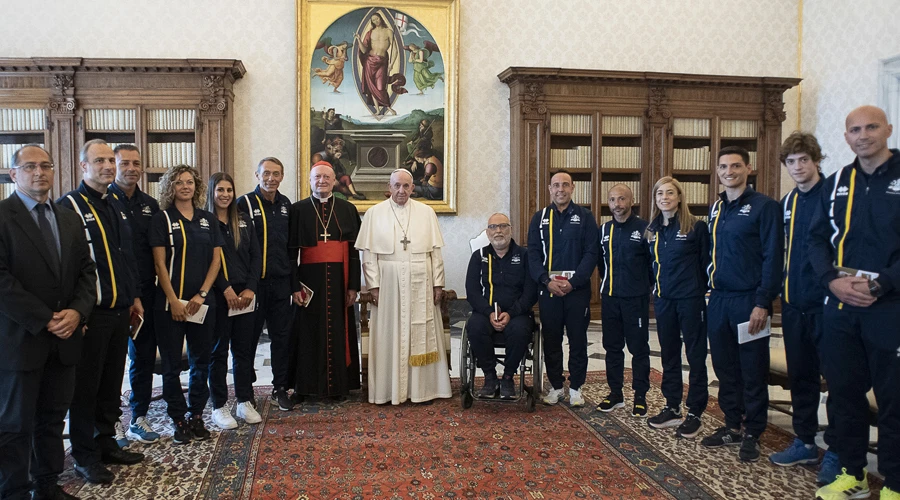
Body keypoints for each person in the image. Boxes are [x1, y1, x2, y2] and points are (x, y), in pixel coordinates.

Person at [810, 106, 900, 500]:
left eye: (871, 127)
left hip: (891, 306)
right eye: (854, 130)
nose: (863, 135)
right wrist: (832, 281)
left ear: (889, 130)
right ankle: (853, 475)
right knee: (844, 394)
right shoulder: (837, 182)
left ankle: (896, 484)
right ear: (845, 137)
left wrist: (883, 284)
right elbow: (814, 240)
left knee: (894, 399)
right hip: (842, 307)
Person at [0, 144, 96, 500]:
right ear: (14, 174)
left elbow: (87, 272)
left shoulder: (67, 216)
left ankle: (47, 485)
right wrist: (45, 319)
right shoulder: (3, 215)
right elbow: (2, 280)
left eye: (45, 166)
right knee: (14, 425)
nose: (39, 173)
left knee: (53, 420)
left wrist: (77, 311)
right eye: (29, 167)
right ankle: (13, 491)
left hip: (65, 339)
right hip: (21, 340)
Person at [57, 139, 145, 484]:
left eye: (111, 160)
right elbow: (67, 268)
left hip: (121, 308)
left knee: (110, 383)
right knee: (86, 388)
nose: (108, 166)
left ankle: (106, 442)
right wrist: (75, 313)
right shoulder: (69, 207)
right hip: (91, 314)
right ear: (83, 166)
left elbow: (126, 258)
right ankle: (84, 455)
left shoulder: (116, 205)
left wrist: (134, 296)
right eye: (100, 161)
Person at [700, 146, 783, 463]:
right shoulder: (716, 209)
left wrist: (763, 302)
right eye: (723, 167)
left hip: (751, 301)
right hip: (719, 300)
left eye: (736, 166)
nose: (728, 171)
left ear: (749, 168)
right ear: (717, 171)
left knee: (752, 369)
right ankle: (732, 426)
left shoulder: (765, 207)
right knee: (724, 368)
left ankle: (753, 433)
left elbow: (773, 258)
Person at [767, 132, 840, 484]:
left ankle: (840, 450)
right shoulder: (788, 202)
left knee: (840, 380)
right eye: (791, 162)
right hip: (794, 303)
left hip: (828, 306)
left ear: (816, 160)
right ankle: (805, 441)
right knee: (802, 377)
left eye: (803, 160)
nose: (797, 167)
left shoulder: (834, 197)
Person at [355, 169, 451, 405]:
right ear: (389, 187)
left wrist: (438, 283)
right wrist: (373, 286)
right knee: (390, 333)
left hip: (422, 280)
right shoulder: (374, 214)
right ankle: (388, 390)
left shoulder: (426, 212)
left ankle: (424, 389)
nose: (401, 191)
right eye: (397, 186)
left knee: (423, 331)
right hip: (388, 283)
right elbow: (369, 255)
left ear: (413, 188)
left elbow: (435, 253)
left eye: (406, 186)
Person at [149, 165, 223, 445]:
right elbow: (159, 263)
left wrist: (201, 295)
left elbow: (216, 261)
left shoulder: (208, 219)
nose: (185, 186)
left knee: (201, 362)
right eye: (178, 182)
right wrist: (173, 301)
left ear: (197, 186)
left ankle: (196, 416)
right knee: (171, 366)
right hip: (169, 306)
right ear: (170, 187)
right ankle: (178, 419)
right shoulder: (162, 220)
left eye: (189, 182)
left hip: (202, 304)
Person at [288, 162, 362, 400]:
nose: (322, 181)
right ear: (310, 180)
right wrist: (294, 287)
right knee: (306, 333)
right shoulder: (298, 210)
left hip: (341, 280)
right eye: (317, 177)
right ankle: (305, 387)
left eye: (326, 177)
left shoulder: (347, 209)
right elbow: (291, 254)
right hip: (309, 282)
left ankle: (340, 386)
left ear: (334, 181)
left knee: (341, 330)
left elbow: (354, 251)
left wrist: (353, 286)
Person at [644, 177, 710, 439]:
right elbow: (651, 266)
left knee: (695, 356)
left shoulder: (696, 227)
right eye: (659, 193)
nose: (664, 197)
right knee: (669, 355)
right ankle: (672, 407)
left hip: (691, 301)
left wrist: (700, 291)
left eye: (670, 193)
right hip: (664, 301)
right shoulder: (653, 230)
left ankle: (695, 412)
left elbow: (706, 264)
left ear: (680, 197)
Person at [527, 170, 599, 407]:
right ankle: (556, 387)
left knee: (578, 340)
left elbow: (591, 253)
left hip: (576, 291)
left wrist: (573, 282)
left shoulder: (586, 217)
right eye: (556, 185)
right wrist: (546, 281)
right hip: (548, 291)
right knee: (552, 340)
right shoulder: (539, 218)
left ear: (573, 188)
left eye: (565, 185)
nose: (560, 189)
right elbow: (534, 255)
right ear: (549, 189)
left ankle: (577, 387)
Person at [108, 144, 163, 447]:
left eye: (136, 163)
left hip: (146, 293)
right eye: (124, 163)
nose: (131, 168)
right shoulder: (106, 201)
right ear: (114, 166)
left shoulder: (150, 205)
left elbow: (155, 253)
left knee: (142, 358)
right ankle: (111, 423)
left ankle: (138, 418)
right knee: (114, 361)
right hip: (115, 296)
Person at [237, 158, 295, 410]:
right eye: (266, 173)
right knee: (247, 339)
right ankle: (245, 391)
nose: (271, 178)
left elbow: (291, 249)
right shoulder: (244, 203)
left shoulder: (286, 205)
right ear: (257, 175)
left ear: (282, 176)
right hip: (253, 285)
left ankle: (280, 387)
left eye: (276, 174)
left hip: (281, 284)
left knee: (282, 338)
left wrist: (294, 285)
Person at [208, 173, 262, 429]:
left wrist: (251, 288)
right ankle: (219, 405)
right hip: (219, 296)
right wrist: (226, 289)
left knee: (243, 351)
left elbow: (255, 256)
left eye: (229, 189)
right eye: (220, 189)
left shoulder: (242, 219)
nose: (225, 194)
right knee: (218, 352)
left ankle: (243, 400)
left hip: (245, 296)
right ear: (212, 192)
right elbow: (208, 263)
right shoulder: (204, 222)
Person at [465, 213, 538, 399]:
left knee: (520, 330)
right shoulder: (478, 256)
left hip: (517, 314)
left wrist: (511, 314)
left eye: (503, 226)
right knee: (474, 326)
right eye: (493, 227)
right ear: (487, 233)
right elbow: (472, 291)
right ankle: (490, 377)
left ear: (510, 229)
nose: (498, 231)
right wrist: (489, 313)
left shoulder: (525, 256)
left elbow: (531, 292)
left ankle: (507, 377)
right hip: (486, 313)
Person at [596, 184, 652, 417]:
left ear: (631, 201)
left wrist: (639, 286)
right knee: (612, 348)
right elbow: (601, 264)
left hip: (635, 300)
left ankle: (640, 396)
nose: (617, 204)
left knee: (639, 349)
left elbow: (652, 265)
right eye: (612, 200)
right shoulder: (604, 229)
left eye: (622, 199)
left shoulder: (645, 228)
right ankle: (615, 393)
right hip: (610, 299)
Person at [355, 12, 400, 116]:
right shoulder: (370, 33)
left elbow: (395, 50)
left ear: (381, 18)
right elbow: (364, 50)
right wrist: (358, 39)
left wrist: (391, 64)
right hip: (369, 61)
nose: (376, 21)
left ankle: (389, 107)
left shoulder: (388, 31)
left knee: (380, 87)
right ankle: (378, 110)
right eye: (373, 20)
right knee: (372, 87)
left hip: (382, 62)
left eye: (377, 18)